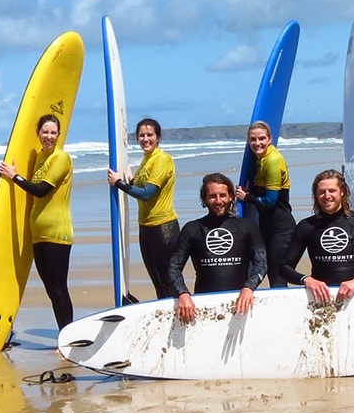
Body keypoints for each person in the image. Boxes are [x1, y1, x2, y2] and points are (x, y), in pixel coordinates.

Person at [0, 113, 74, 330]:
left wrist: (15, 177)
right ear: (38, 133)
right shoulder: (40, 157)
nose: (49, 136)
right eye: (45, 132)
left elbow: (41, 190)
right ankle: (64, 335)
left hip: (57, 232)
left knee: (59, 288)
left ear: (59, 134)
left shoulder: (61, 158)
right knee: (51, 288)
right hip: (38, 233)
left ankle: (68, 337)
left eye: (53, 132)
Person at [279, 169, 354, 302]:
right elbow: (284, 267)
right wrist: (306, 280)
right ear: (316, 195)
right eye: (321, 192)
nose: (327, 196)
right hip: (320, 299)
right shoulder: (307, 226)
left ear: (342, 192)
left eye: (331, 191)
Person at [168, 173, 267, 323]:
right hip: (204, 308)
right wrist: (183, 294)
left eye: (223, 195)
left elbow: (261, 264)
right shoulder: (192, 229)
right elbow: (173, 267)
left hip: (240, 305)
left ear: (231, 197)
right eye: (213, 196)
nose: (218, 201)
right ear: (204, 199)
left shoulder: (248, 227)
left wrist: (249, 288)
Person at [108, 117, 179, 299]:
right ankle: (164, 320)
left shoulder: (162, 159)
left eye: (150, 135)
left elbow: (147, 193)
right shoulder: (147, 160)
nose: (145, 139)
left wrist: (119, 184)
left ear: (158, 137)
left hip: (163, 228)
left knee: (167, 280)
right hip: (146, 228)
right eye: (141, 135)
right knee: (156, 280)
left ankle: (177, 322)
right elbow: (142, 188)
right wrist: (131, 181)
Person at [235, 120, 294, 287]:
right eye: (253, 139)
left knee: (278, 277)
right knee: (267, 272)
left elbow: (270, 200)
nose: (257, 143)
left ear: (270, 139)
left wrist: (247, 198)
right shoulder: (260, 159)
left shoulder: (272, 160)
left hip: (281, 228)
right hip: (267, 225)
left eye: (261, 138)